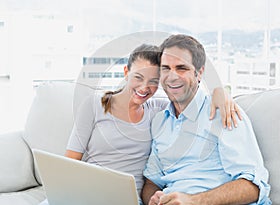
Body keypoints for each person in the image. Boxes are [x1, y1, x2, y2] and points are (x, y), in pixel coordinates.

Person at [39, 43, 240, 205]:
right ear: (126, 72)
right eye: (138, 77)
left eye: (153, 81)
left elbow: (191, 96)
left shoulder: (158, 111)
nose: (145, 87)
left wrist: (220, 92)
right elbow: (70, 162)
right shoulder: (94, 104)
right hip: (84, 194)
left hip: (126, 200)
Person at [142, 34, 271, 205]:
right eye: (166, 68)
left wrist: (194, 201)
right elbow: (152, 182)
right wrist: (154, 198)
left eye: (181, 68)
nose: (172, 76)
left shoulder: (223, 112)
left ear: (199, 72)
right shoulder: (160, 121)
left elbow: (253, 186)